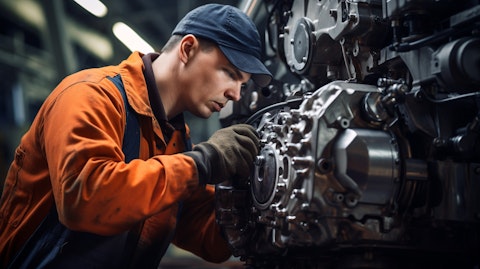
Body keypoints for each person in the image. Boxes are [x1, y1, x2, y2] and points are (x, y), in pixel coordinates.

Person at [0, 3, 272, 268]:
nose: (236, 94)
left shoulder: (175, 140)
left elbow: (209, 240)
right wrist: (204, 162)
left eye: (242, 84)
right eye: (229, 73)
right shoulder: (91, 96)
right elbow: (84, 199)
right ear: (188, 49)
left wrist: (253, 192)